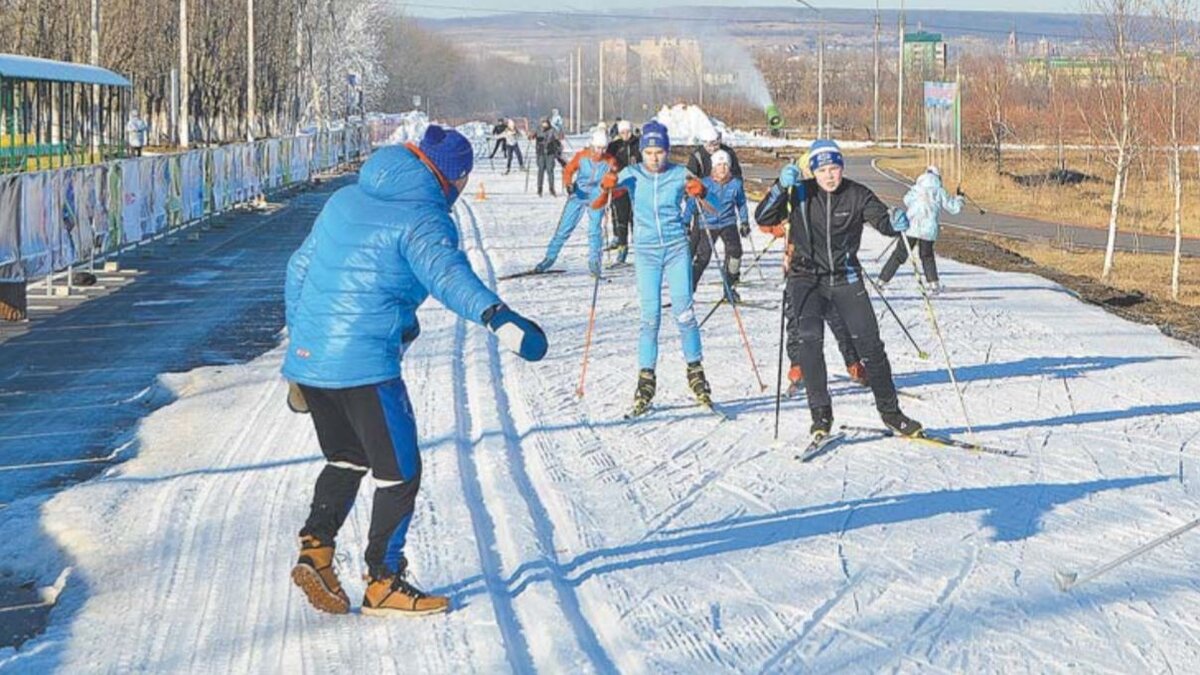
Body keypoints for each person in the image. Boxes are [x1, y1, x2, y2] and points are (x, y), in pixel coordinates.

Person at [283, 125, 548, 617]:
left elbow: (298, 269)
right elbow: (449, 276)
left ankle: (315, 553)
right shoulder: (424, 218)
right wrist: (501, 319)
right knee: (399, 473)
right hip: (365, 365)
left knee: (346, 457)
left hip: (313, 358)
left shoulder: (344, 199)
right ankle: (383, 580)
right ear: (457, 178)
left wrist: (302, 355)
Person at [754, 139, 921, 439]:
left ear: (842, 168)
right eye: (824, 170)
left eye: (835, 168)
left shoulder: (856, 194)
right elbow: (763, 217)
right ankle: (821, 416)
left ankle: (892, 413)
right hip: (806, 278)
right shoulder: (800, 192)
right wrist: (780, 186)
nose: (830, 176)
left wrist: (896, 222)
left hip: (845, 276)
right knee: (809, 342)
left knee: (870, 345)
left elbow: (883, 222)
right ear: (814, 172)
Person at [600, 120, 717, 417]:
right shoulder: (633, 174)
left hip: (676, 249)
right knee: (649, 318)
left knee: (685, 313)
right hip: (647, 253)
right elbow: (598, 199)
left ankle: (696, 371)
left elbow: (713, 203)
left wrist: (700, 190)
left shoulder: (679, 173)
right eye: (649, 152)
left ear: (667, 151)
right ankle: (646, 380)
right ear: (642, 152)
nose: (654, 157)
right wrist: (607, 186)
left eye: (659, 152)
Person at [765, 154, 869, 397]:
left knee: (838, 318)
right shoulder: (793, 191)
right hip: (798, 268)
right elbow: (767, 221)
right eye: (813, 172)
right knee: (796, 321)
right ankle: (798, 366)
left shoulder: (830, 195)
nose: (820, 177)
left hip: (830, 269)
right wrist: (783, 227)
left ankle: (854, 363)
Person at [533, 130, 616, 277]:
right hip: (578, 194)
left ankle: (594, 263)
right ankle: (549, 258)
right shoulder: (582, 156)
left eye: (603, 148)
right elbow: (569, 170)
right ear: (592, 145)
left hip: (597, 196)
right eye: (598, 147)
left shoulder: (609, 161)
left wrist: (611, 182)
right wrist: (568, 184)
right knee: (564, 228)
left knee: (595, 230)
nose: (600, 151)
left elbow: (615, 176)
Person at [879, 165, 963, 294]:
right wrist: (959, 198)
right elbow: (954, 208)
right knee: (927, 256)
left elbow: (906, 200)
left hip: (911, 226)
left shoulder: (917, 188)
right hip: (928, 229)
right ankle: (933, 283)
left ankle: (882, 280)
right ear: (938, 177)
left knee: (899, 254)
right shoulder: (939, 191)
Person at [682, 150, 747, 304]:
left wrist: (744, 222)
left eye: (725, 165)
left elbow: (742, 203)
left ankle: (730, 288)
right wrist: (685, 222)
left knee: (735, 253)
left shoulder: (735, 184)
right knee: (703, 257)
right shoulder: (704, 183)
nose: (723, 168)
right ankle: (688, 291)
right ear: (713, 167)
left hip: (728, 222)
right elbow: (692, 203)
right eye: (719, 165)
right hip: (707, 223)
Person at [605, 119, 640, 264]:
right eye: (622, 132)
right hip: (619, 187)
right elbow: (606, 162)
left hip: (637, 186)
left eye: (628, 132)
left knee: (636, 219)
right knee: (621, 218)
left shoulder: (638, 144)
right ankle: (622, 248)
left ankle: (640, 249)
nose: (625, 135)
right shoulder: (614, 146)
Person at [533, 119, 562, 197]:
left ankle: (551, 188)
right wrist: (532, 136)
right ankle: (539, 188)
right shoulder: (538, 129)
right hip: (541, 152)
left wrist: (558, 139)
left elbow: (558, 137)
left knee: (550, 170)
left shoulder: (552, 130)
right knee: (541, 170)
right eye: (543, 123)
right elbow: (532, 135)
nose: (544, 124)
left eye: (546, 123)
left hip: (550, 152)